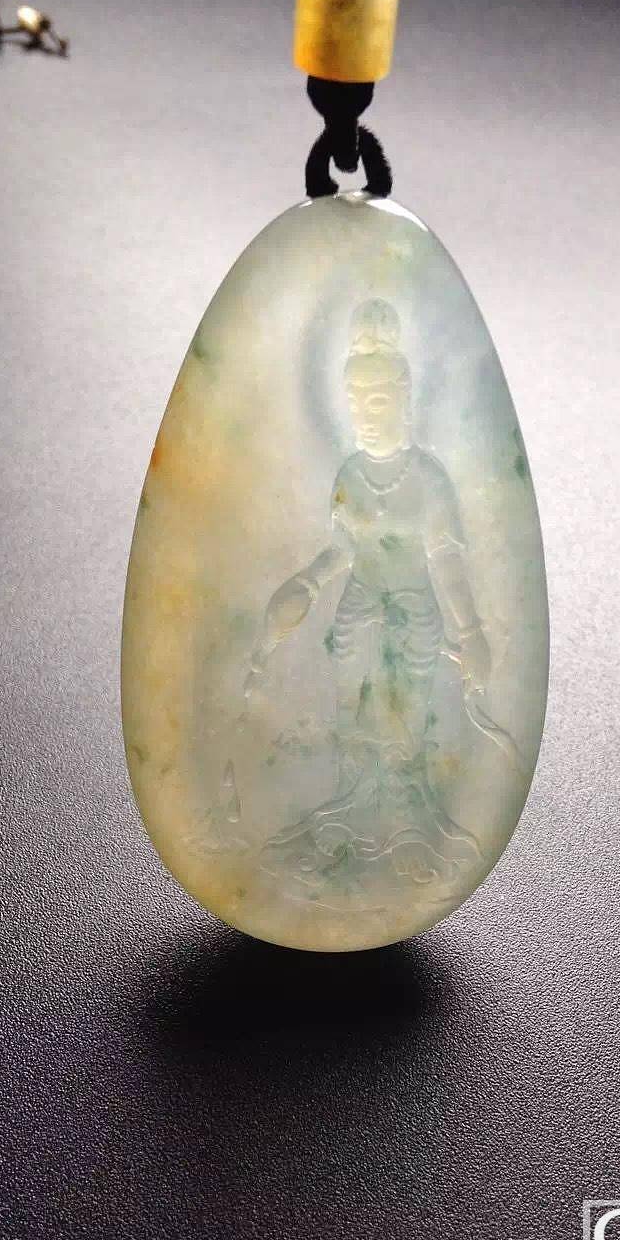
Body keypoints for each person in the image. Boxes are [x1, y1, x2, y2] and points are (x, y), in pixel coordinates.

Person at [245, 299, 492, 905]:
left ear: (405, 398)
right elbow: (343, 550)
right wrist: (307, 583)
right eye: (355, 403)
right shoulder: (350, 476)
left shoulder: (428, 479)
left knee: (405, 725)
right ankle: (346, 829)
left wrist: (471, 631)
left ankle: (407, 834)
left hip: (412, 618)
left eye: (377, 402)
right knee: (352, 722)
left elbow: (446, 559)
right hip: (355, 616)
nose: (365, 417)